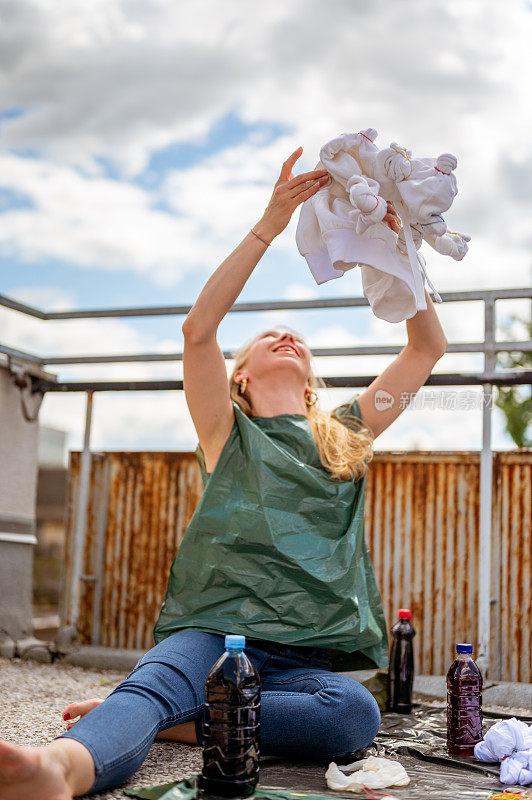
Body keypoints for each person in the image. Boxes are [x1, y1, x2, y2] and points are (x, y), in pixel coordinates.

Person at [0, 147, 448, 800]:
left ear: (313, 379)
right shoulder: (227, 432)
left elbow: (428, 347)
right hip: (214, 636)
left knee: (355, 716)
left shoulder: (348, 431)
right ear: (240, 376)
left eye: (295, 336)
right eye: (267, 337)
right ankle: (61, 768)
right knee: (155, 681)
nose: (286, 335)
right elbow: (197, 330)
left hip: (301, 665)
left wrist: (396, 245)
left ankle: (175, 721)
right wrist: (269, 224)